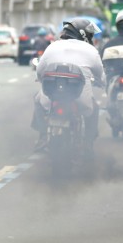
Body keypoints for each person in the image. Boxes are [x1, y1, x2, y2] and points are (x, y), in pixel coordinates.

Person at [32, 18, 106, 151]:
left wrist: (40, 79)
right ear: (83, 34)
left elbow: (39, 71)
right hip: (80, 99)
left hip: (50, 98)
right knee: (94, 108)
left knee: (37, 100)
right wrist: (101, 83)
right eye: (90, 34)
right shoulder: (91, 50)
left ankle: (43, 135)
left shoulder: (52, 46)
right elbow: (101, 76)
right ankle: (88, 144)